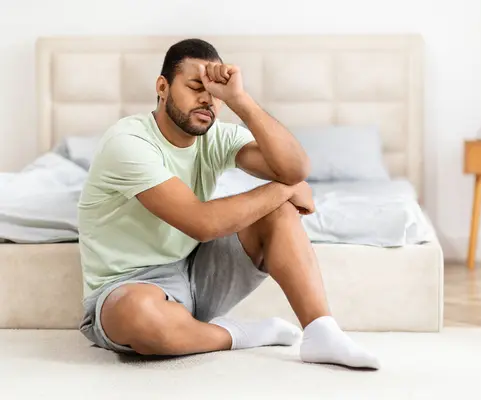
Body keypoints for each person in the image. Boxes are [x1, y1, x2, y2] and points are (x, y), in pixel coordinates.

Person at [77, 38, 380, 370]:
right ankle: (234, 334)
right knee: (141, 316)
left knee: (277, 212)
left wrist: (240, 100)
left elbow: (295, 169)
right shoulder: (128, 143)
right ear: (162, 87)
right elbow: (202, 223)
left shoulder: (216, 136)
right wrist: (282, 190)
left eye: (215, 93)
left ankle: (322, 332)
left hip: (197, 271)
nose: (207, 99)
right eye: (195, 87)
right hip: (127, 287)